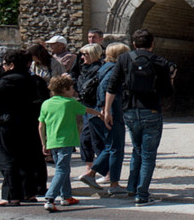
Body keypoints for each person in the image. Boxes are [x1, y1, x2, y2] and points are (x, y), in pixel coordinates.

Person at [103, 28, 176, 206]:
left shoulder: (124, 58)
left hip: (129, 110)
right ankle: (142, 195)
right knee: (148, 154)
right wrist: (171, 78)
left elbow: (112, 85)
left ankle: (131, 188)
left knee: (137, 149)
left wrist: (107, 110)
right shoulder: (160, 61)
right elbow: (167, 92)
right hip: (151, 110)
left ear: (134, 44)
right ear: (152, 43)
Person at [0, 48, 50, 207]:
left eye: (6, 64)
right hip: (30, 123)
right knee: (27, 159)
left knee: (7, 160)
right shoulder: (35, 80)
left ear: (12, 65)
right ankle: (29, 193)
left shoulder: (9, 80)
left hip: (9, 123)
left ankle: (11, 196)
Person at [39, 73, 97, 211]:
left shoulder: (46, 103)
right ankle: (50, 197)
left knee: (63, 168)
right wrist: (101, 113)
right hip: (66, 141)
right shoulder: (70, 102)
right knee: (62, 169)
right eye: (71, 88)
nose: (73, 91)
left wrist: (43, 143)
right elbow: (87, 110)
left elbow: (41, 125)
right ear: (64, 90)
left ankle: (66, 196)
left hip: (52, 140)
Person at [86, 42, 128, 195]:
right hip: (110, 113)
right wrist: (107, 109)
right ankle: (114, 184)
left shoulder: (104, 68)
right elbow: (106, 88)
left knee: (111, 147)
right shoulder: (113, 70)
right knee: (116, 148)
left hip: (100, 112)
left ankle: (91, 175)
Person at [73, 43, 105, 190]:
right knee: (86, 139)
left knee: (93, 138)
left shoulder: (98, 69)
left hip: (94, 107)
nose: (82, 57)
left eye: (85, 54)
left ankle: (101, 171)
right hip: (85, 106)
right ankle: (89, 169)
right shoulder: (82, 67)